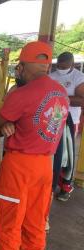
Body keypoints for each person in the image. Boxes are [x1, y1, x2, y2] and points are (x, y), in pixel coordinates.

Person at [0, 41, 69, 250]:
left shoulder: (22, 93)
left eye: (20, 66)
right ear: (46, 63)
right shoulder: (60, 91)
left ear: (25, 65)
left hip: (20, 164)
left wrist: (5, 126)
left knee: (7, 217)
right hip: (45, 165)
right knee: (36, 218)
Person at [49, 52, 84, 202]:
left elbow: (82, 100)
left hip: (70, 121)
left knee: (67, 154)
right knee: (52, 154)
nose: (60, 69)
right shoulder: (52, 76)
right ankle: (49, 183)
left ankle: (65, 186)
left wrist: (60, 98)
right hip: (52, 120)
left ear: (71, 64)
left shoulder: (78, 77)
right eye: (59, 66)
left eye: (64, 67)